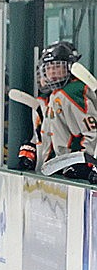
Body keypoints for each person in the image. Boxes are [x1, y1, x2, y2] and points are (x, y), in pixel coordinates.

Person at [36, 41, 97, 183]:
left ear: (69, 67)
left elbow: (92, 132)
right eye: (49, 68)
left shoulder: (72, 92)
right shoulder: (55, 94)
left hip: (75, 168)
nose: (52, 73)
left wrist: (84, 163)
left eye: (57, 67)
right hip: (61, 167)